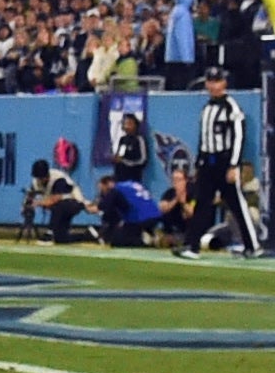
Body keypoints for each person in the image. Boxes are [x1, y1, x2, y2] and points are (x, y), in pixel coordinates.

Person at [180, 68, 263, 257]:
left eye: (217, 81)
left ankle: (252, 245)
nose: (213, 85)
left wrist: (234, 165)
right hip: (208, 162)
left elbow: (238, 137)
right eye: (210, 81)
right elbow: (204, 138)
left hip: (224, 162)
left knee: (236, 203)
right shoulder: (207, 108)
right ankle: (191, 245)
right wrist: (200, 163)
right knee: (202, 202)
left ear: (224, 83)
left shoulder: (231, 107)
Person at [24, 158, 92, 246]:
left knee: (58, 206)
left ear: (47, 174)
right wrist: (26, 205)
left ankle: (49, 233)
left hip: (74, 203)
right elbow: (30, 195)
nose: (39, 180)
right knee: (61, 239)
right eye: (38, 177)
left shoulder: (58, 179)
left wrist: (37, 203)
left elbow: (55, 199)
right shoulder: (36, 182)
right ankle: (88, 236)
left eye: (41, 177)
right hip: (60, 210)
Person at [97, 176, 160, 248]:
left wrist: (90, 206)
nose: (103, 193)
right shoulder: (132, 185)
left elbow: (103, 206)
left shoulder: (116, 190)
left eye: (103, 189)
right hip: (155, 215)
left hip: (140, 218)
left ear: (108, 184)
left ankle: (144, 241)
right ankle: (150, 234)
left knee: (118, 241)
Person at [112, 111, 148, 185]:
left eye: (130, 124)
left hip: (133, 179)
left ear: (136, 125)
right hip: (120, 179)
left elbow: (142, 160)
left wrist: (125, 162)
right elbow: (121, 155)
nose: (127, 126)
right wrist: (116, 159)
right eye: (125, 124)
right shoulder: (123, 140)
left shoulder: (139, 139)